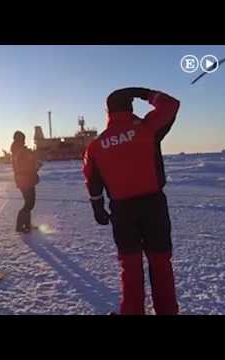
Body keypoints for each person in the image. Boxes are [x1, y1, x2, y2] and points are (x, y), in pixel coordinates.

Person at [82, 87, 180, 315]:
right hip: (154, 206)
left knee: (130, 266)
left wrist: (98, 207)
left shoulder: (96, 145)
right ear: (131, 106)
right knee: (161, 262)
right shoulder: (147, 128)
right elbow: (171, 105)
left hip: (122, 212)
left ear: (108, 111)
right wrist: (145, 93)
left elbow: (92, 181)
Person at [10, 131, 41, 233]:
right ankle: (20, 226)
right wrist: (36, 166)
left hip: (24, 179)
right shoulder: (21, 151)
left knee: (29, 203)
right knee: (29, 203)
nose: (24, 141)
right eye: (23, 138)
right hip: (26, 179)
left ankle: (26, 224)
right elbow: (25, 166)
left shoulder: (17, 150)